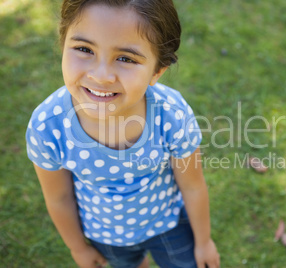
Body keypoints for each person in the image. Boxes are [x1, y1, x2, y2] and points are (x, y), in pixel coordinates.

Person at [25, 0, 220, 267]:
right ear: (63, 44)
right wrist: (78, 249)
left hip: (168, 223)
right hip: (106, 236)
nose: (102, 75)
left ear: (157, 71)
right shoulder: (48, 127)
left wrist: (204, 241)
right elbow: (58, 198)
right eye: (84, 49)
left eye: (126, 58)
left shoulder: (171, 115)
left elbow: (193, 185)